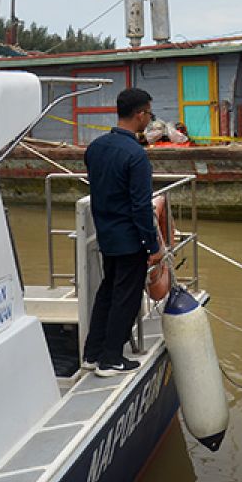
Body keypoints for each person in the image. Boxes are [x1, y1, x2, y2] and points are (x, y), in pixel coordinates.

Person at [82, 87, 164, 376]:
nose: (149, 120)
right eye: (149, 114)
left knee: (107, 293)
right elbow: (141, 205)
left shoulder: (95, 148)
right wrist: (152, 245)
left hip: (107, 234)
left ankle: (92, 353)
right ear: (140, 114)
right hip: (129, 239)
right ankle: (111, 359)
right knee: (126, 299)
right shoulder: (136, 155)